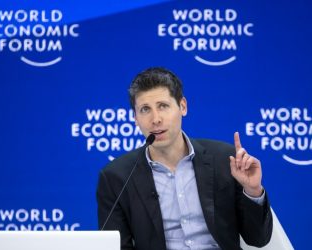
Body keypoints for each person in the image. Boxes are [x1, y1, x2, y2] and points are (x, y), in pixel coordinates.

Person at [96, 67, 273, 250]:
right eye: (145, 109)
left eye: (163, 106)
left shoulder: (224, 160)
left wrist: (253, 191)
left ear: (183, 107)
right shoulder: (115, 177)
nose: (155, 119)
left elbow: (258, 239)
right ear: (135, 118)